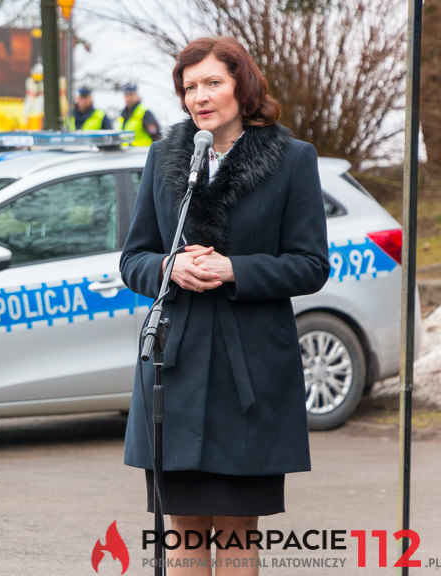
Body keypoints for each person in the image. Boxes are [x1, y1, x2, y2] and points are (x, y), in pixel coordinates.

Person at [120, 37, 329, 575]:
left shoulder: (292, 159)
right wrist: (170, 267)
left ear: (242, 84)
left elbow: (311, 265)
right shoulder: (165, 156)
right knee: (184, 526)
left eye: (213, 82)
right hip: (177, 366)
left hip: (250, 373)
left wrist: (235, 268)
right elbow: (133, 258)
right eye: (189, 87)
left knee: (237, 530)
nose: (199, 97)